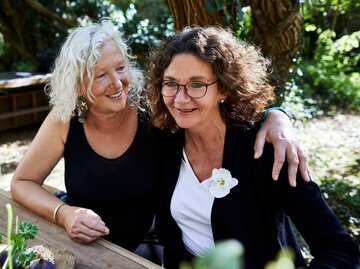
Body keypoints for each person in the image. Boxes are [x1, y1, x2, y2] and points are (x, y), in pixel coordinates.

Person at [11, 20, 307, 262]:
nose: (117, 83)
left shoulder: (152, 109)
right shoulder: (66, 118)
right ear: (77, 84)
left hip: (147, 247)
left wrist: (276, 114)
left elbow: (220, 110)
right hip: (81, 243)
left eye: (120, 67)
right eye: (100, 75)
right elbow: (22, 182)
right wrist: (64, 213)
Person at [146, 26, 360, 268]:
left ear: (224, 88)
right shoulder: (164, 140)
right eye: (171, 83)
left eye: (197, 84)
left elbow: (340, 249)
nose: (181, 98)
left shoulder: (268, 151)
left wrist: (277, 116)